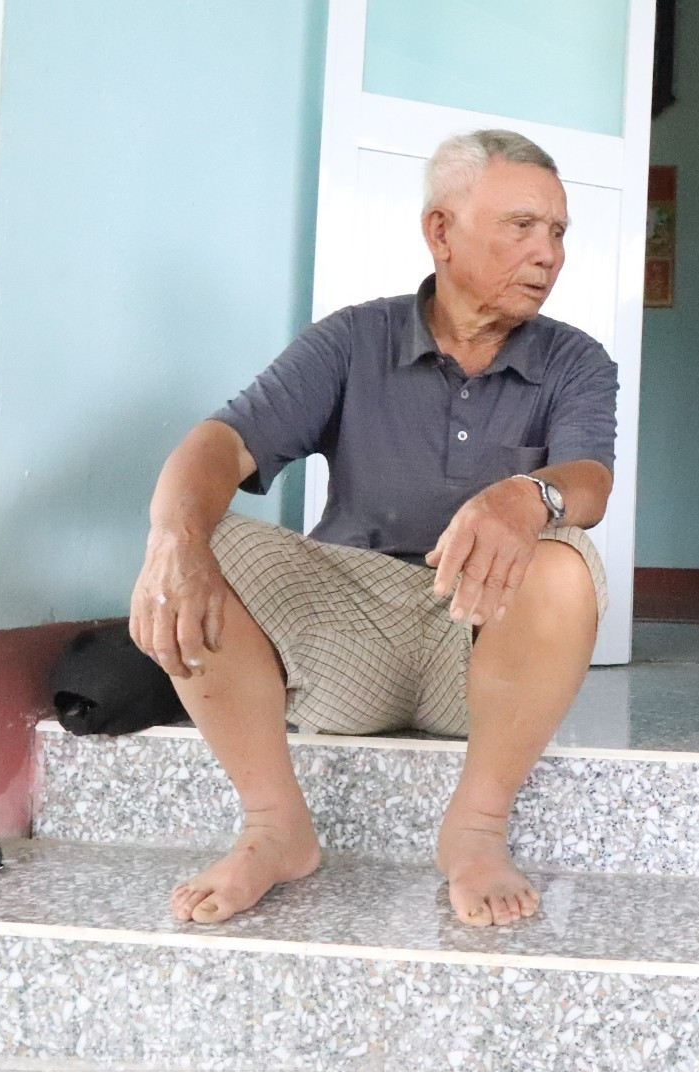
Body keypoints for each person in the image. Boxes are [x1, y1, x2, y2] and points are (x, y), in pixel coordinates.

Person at [129, 129, 618, 928]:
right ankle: (273, 827)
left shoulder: (576, 360)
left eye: (558, 232)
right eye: (522, 226)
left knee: (564, 560)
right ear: (441, 231)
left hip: (485, 655)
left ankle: (478, 828)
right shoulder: (354, 339)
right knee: (202, 539)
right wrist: (171, 540)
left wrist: (527, 497)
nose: (549, 253)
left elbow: (588, 482)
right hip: (348, 642)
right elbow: (221, 444)